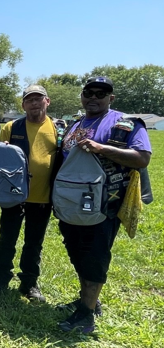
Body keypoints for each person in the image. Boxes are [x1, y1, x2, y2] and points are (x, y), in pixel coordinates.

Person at [55, 77, 151, 333]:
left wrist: (102, 148)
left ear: (111, 98)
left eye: (101, 93)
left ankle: (86, 314)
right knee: (76, 251)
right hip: (71, 203)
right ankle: (88, 299)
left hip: (104, 204)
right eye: (89, 93)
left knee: (94, 255)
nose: (94, 97)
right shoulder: (74, 125)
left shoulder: (126, 124)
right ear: (82, 96)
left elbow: (142, 158)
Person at [0, 85, 58, 302]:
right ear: (23, 105)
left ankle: (29, 283)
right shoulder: (11, 126)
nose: (34, 103)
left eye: (39, 99)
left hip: (42, 197)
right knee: (7, 239)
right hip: (13, 195)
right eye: (30, 100)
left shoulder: (58, 129)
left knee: (33, 243)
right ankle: (1, 279)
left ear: (47, 102)